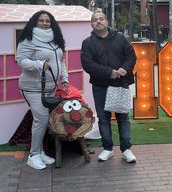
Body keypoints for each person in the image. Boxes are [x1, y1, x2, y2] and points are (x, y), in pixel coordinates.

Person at [81, 10, 137, 163]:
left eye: (101, 19)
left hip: (120, 83)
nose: (98, 21)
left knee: (123, 117)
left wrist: (124, 69)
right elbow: (88, 64)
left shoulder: (120, 38)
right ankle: (107, 149)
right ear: (91, 24)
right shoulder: (88, 43)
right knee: (103, 118)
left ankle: (126, 149)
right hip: (100, 85)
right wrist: (109, 72)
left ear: (107, 21)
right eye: (95, 20)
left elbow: (131, 55)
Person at [16, 10, 69, 170]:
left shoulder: (55, 40)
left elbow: (61, 62)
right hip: (32, 88)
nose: (45, 23)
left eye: (48, 21)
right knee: (42, 120)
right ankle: (33, 155)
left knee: (44, 122)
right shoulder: (28, 39)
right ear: (35, 22)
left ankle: (40, 151)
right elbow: (21, 60)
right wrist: (38, 64)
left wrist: (64, 79)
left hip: (50, 88)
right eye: (41, 20)